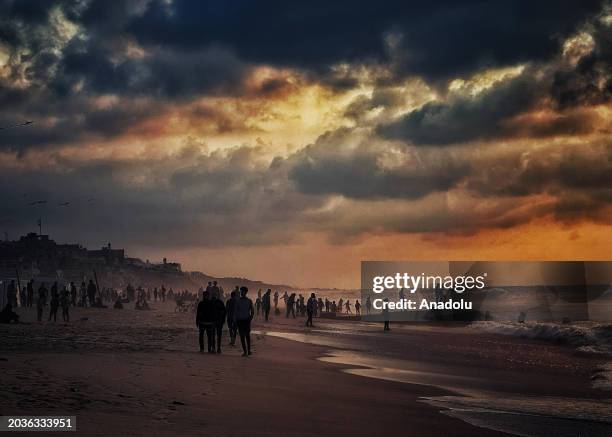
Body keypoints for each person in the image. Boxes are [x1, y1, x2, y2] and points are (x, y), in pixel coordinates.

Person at [234, 286, 254, 356]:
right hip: (240, 320)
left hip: (246, 320)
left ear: (245, 292)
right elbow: (235, 311)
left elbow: (252, 311)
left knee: (247, 336)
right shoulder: (238, 301)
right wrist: (235, 320)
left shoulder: (249, 301)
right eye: (241, 291)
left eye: (242, 291)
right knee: (242, 336)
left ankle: (248, 350)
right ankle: (245, 351)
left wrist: (250, 318)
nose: (241, 292)